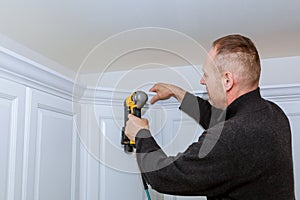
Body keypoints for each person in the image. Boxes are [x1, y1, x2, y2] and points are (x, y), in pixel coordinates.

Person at [125, 34, 295, 199]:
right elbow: (221, 122)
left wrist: (141, 135)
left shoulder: (231, 136)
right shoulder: (273, 113)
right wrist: (177, 93)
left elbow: (164, 176)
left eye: (206, 74)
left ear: (227, 80)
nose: (202, 81)